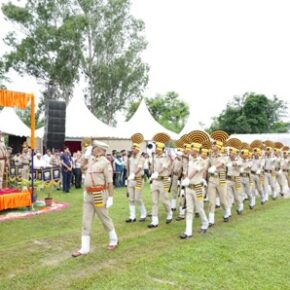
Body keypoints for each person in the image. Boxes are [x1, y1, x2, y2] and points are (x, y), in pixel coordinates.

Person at [72, 140, 118, 257]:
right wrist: (86, 157)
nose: (93, 150)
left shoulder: (105, 163)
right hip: (88, 194)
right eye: (94, 148)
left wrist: (111, 197)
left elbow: (110, 182)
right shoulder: (91, 160)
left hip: (99, 195)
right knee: (85, 221)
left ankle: (113, 240)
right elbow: (82, 167)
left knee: (104, 218)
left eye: (95, 148)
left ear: (101, 151)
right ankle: (84, 248)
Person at [179, 142, 209, 239]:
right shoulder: (191, 160)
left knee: (199, 208)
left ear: (196, 150)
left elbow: (195, 170)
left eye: (191, 149)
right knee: (189, 209)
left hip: (198, 189)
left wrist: (187, 178)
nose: (189, 150)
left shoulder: (202, 161)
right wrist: (186, 178)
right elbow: (188, 170)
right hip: (189, 188)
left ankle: (205, 223)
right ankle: (188, 232)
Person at [147, 141, 173, 228]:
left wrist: (157, 173)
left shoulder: (166, 157)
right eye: (156, 148)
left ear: (162, 149)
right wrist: (152, 175)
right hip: (155, 180)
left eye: (158, 149)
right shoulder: (154, 156)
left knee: (164, 199)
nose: (157, 150)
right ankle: (154, 221)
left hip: (164, 180)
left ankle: (169, 212)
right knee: (154, 201)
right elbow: (152, 167)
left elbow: (164, 167)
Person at [126, 143, 147, 222]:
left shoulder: (141, 158)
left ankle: (143, 214)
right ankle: (132, 217)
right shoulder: (130, 158)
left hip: (138, 179)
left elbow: (139, 168)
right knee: (131, 199)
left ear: (138, 149)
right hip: (131, 180)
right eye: (132, 148)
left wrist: (133, 174)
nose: (132, 150)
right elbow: (127, 169)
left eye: (133, 148)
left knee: (137, 198)